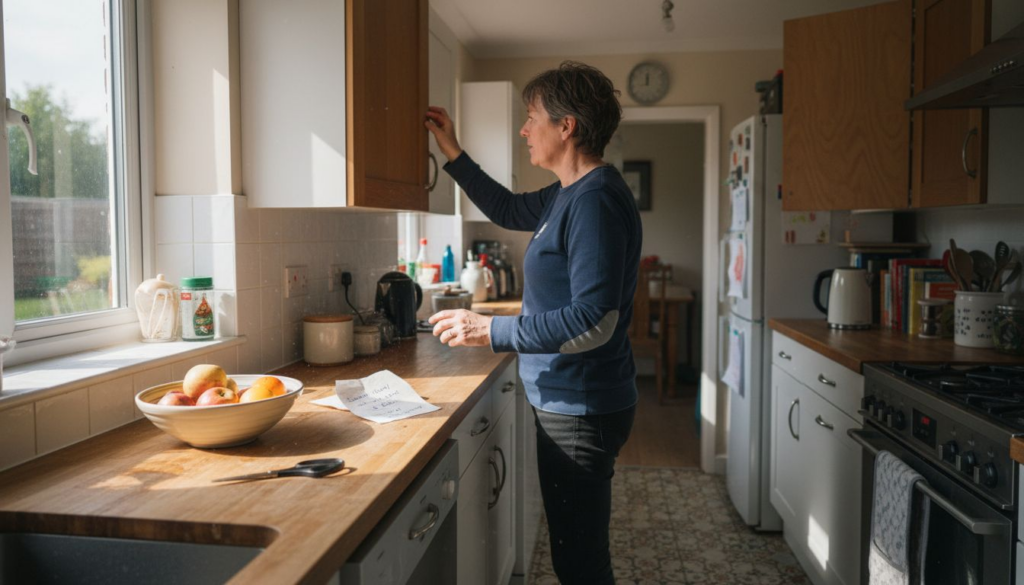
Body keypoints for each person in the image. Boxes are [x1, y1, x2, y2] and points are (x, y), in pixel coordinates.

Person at [425, 61, 641, 585]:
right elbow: (505, 206)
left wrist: (490, 331)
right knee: (577, 553)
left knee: (580, 562)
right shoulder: (569, 191)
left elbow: (595, 320)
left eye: (532, 117)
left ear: (566, 126)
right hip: (571, 399)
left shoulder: (594, 201)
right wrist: (452, 151)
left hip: (581, 406)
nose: (524, 130)